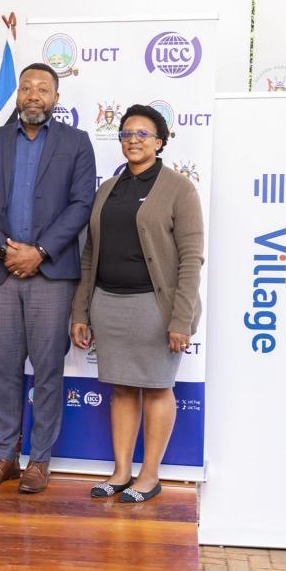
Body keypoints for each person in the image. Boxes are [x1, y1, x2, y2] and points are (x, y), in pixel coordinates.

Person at [0, 62, 96, 494]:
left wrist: (39, 252)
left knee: (47, 371)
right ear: (17, 96)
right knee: (4, 369)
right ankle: (4, 456)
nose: (33, 95)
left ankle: (39, 460)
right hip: (2, 274)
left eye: (43, 89)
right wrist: (5, 251)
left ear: (56, 98)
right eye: (26, 88)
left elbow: (81, 204)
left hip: (51, 275)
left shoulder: (76, 143)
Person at [70, 104, 204, 503]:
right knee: (123, 390)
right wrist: (81, 310)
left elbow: (191, 257)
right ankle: (121, 472)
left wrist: (180, 319)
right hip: (109, 305)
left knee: (158, 388)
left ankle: (150, 476)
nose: (133, 140)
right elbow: (90, 254)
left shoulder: (179, 188)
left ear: (159, 142)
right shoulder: (108, 189)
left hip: (155, 309)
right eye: (127, 134)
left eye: (142, 134)